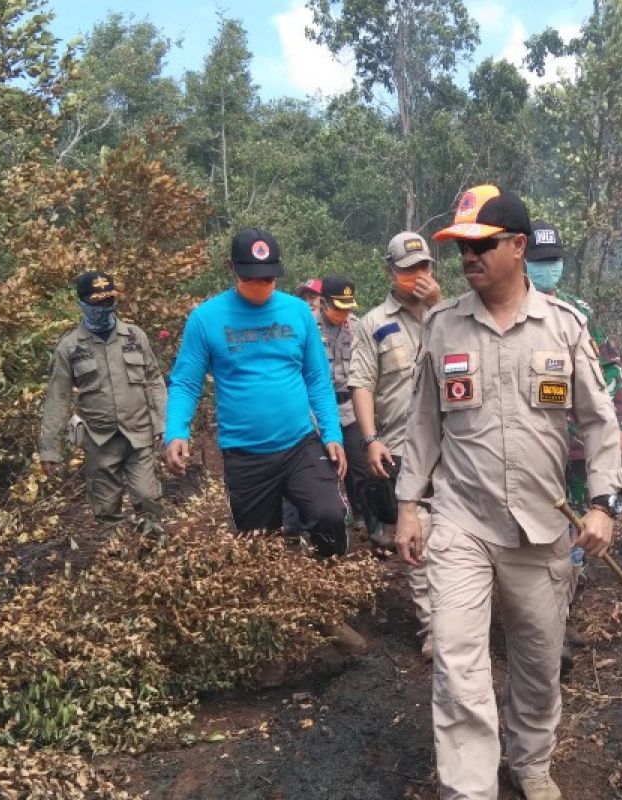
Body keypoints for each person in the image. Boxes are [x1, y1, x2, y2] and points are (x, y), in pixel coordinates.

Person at [395, 185, 622, 800]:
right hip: (461, 523)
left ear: (518, 246)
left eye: (482, 245)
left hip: (542, 528)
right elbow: (422, 425)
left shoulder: (564, 328)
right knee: (457, 660)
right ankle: (469, 787)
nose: (468, 259)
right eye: (462, 249)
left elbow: (601, 424)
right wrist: (408, 508)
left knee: (537, 662)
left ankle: (530, 761)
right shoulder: (443, 328)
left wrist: (603, 505)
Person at [163, 229, 352, 560]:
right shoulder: (206, 319)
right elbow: (186, 382)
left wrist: (332, 432)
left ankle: (332, 581)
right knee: (258, 547)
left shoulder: (297, 313)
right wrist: (176, 431)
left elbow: (317, 378)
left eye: (269, 278)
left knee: (330, 515)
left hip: (300, 444)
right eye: (253, 278)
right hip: (245, 454)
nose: (263, 285)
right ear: (232, 268)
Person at [525, 220, 622, 674]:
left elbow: (611, 372)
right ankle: (538, 626)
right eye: (539, 262)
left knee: (579, 540)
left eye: (553, 262)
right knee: (538, 539)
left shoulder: (578, 312)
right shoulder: (508, 313)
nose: (547, 270)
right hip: (535, 450)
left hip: (580, 452)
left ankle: (561, 618)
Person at [348, 231, 443, 658]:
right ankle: (432, 629)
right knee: (416, 534)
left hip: (455, 448)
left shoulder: (453, 313)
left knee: (457, 537)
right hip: (401, 446)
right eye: (407, 271)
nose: (416, 277)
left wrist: (438, 307)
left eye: (423, 268)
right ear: (390, 273)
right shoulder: (373, 323)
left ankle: (461, 618)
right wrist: (370, 439)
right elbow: (363, 384)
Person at [38, 271, 166, 527]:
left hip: (138, 433)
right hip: (100, 439)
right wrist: (49, 448)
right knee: (106, 510)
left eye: (108, 302)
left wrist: (164, 424)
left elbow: (154, 381)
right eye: (96, 304)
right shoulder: (70, 347)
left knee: (147, 496)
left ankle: (154, 554)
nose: (103, 309)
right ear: (82, 305)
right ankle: (116, 560)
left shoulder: (134, 336)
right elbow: (58, 398)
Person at [312, 274, 373, 535]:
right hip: (317, 412)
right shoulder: (308, 328)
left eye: (348, 307)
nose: (344, 313)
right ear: (323, 302)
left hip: (349, 408)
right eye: (339, 307)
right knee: (323, 467)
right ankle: (326, 523)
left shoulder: (357, 327)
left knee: (360, 465)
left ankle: (367, 518)